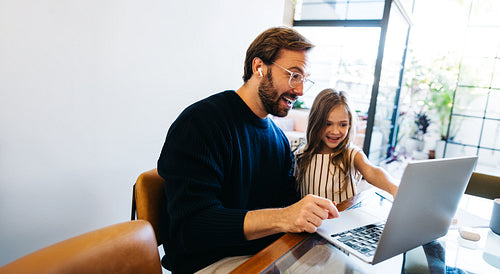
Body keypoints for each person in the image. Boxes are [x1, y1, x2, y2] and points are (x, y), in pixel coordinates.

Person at [157, 27, 339, 274]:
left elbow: (287, 207)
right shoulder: (201, 123)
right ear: (259, 67)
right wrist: (284, 217)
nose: (300, 90)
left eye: (304, 79)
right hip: (210, 262)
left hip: (265, 255)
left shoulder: (279, 141)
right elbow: (193, 226)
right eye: (294, 75)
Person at [295, 88, 398, 204]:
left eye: (343, 125)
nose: (335, 131)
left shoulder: (351, 153)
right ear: (316, 122)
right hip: (312, 221)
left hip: (344, 220)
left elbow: (372, 172)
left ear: (350, 125)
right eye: (328, 124)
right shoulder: (301, 154)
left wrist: (394, 188)